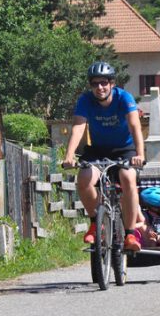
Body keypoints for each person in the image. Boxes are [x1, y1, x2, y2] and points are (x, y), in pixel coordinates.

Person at [62, 61, 146, 251]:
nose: (99, 87)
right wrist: (69, 155)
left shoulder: (124, 98)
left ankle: (131, 234)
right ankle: (96, 222)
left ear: (112, 84)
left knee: (127, 178)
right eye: (94, 83)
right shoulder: (85, 100)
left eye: (104, 83)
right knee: (83, 178)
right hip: (98, 150)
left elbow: (134, 126)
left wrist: (140, 154)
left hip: (124, 150)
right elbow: (78, 127)